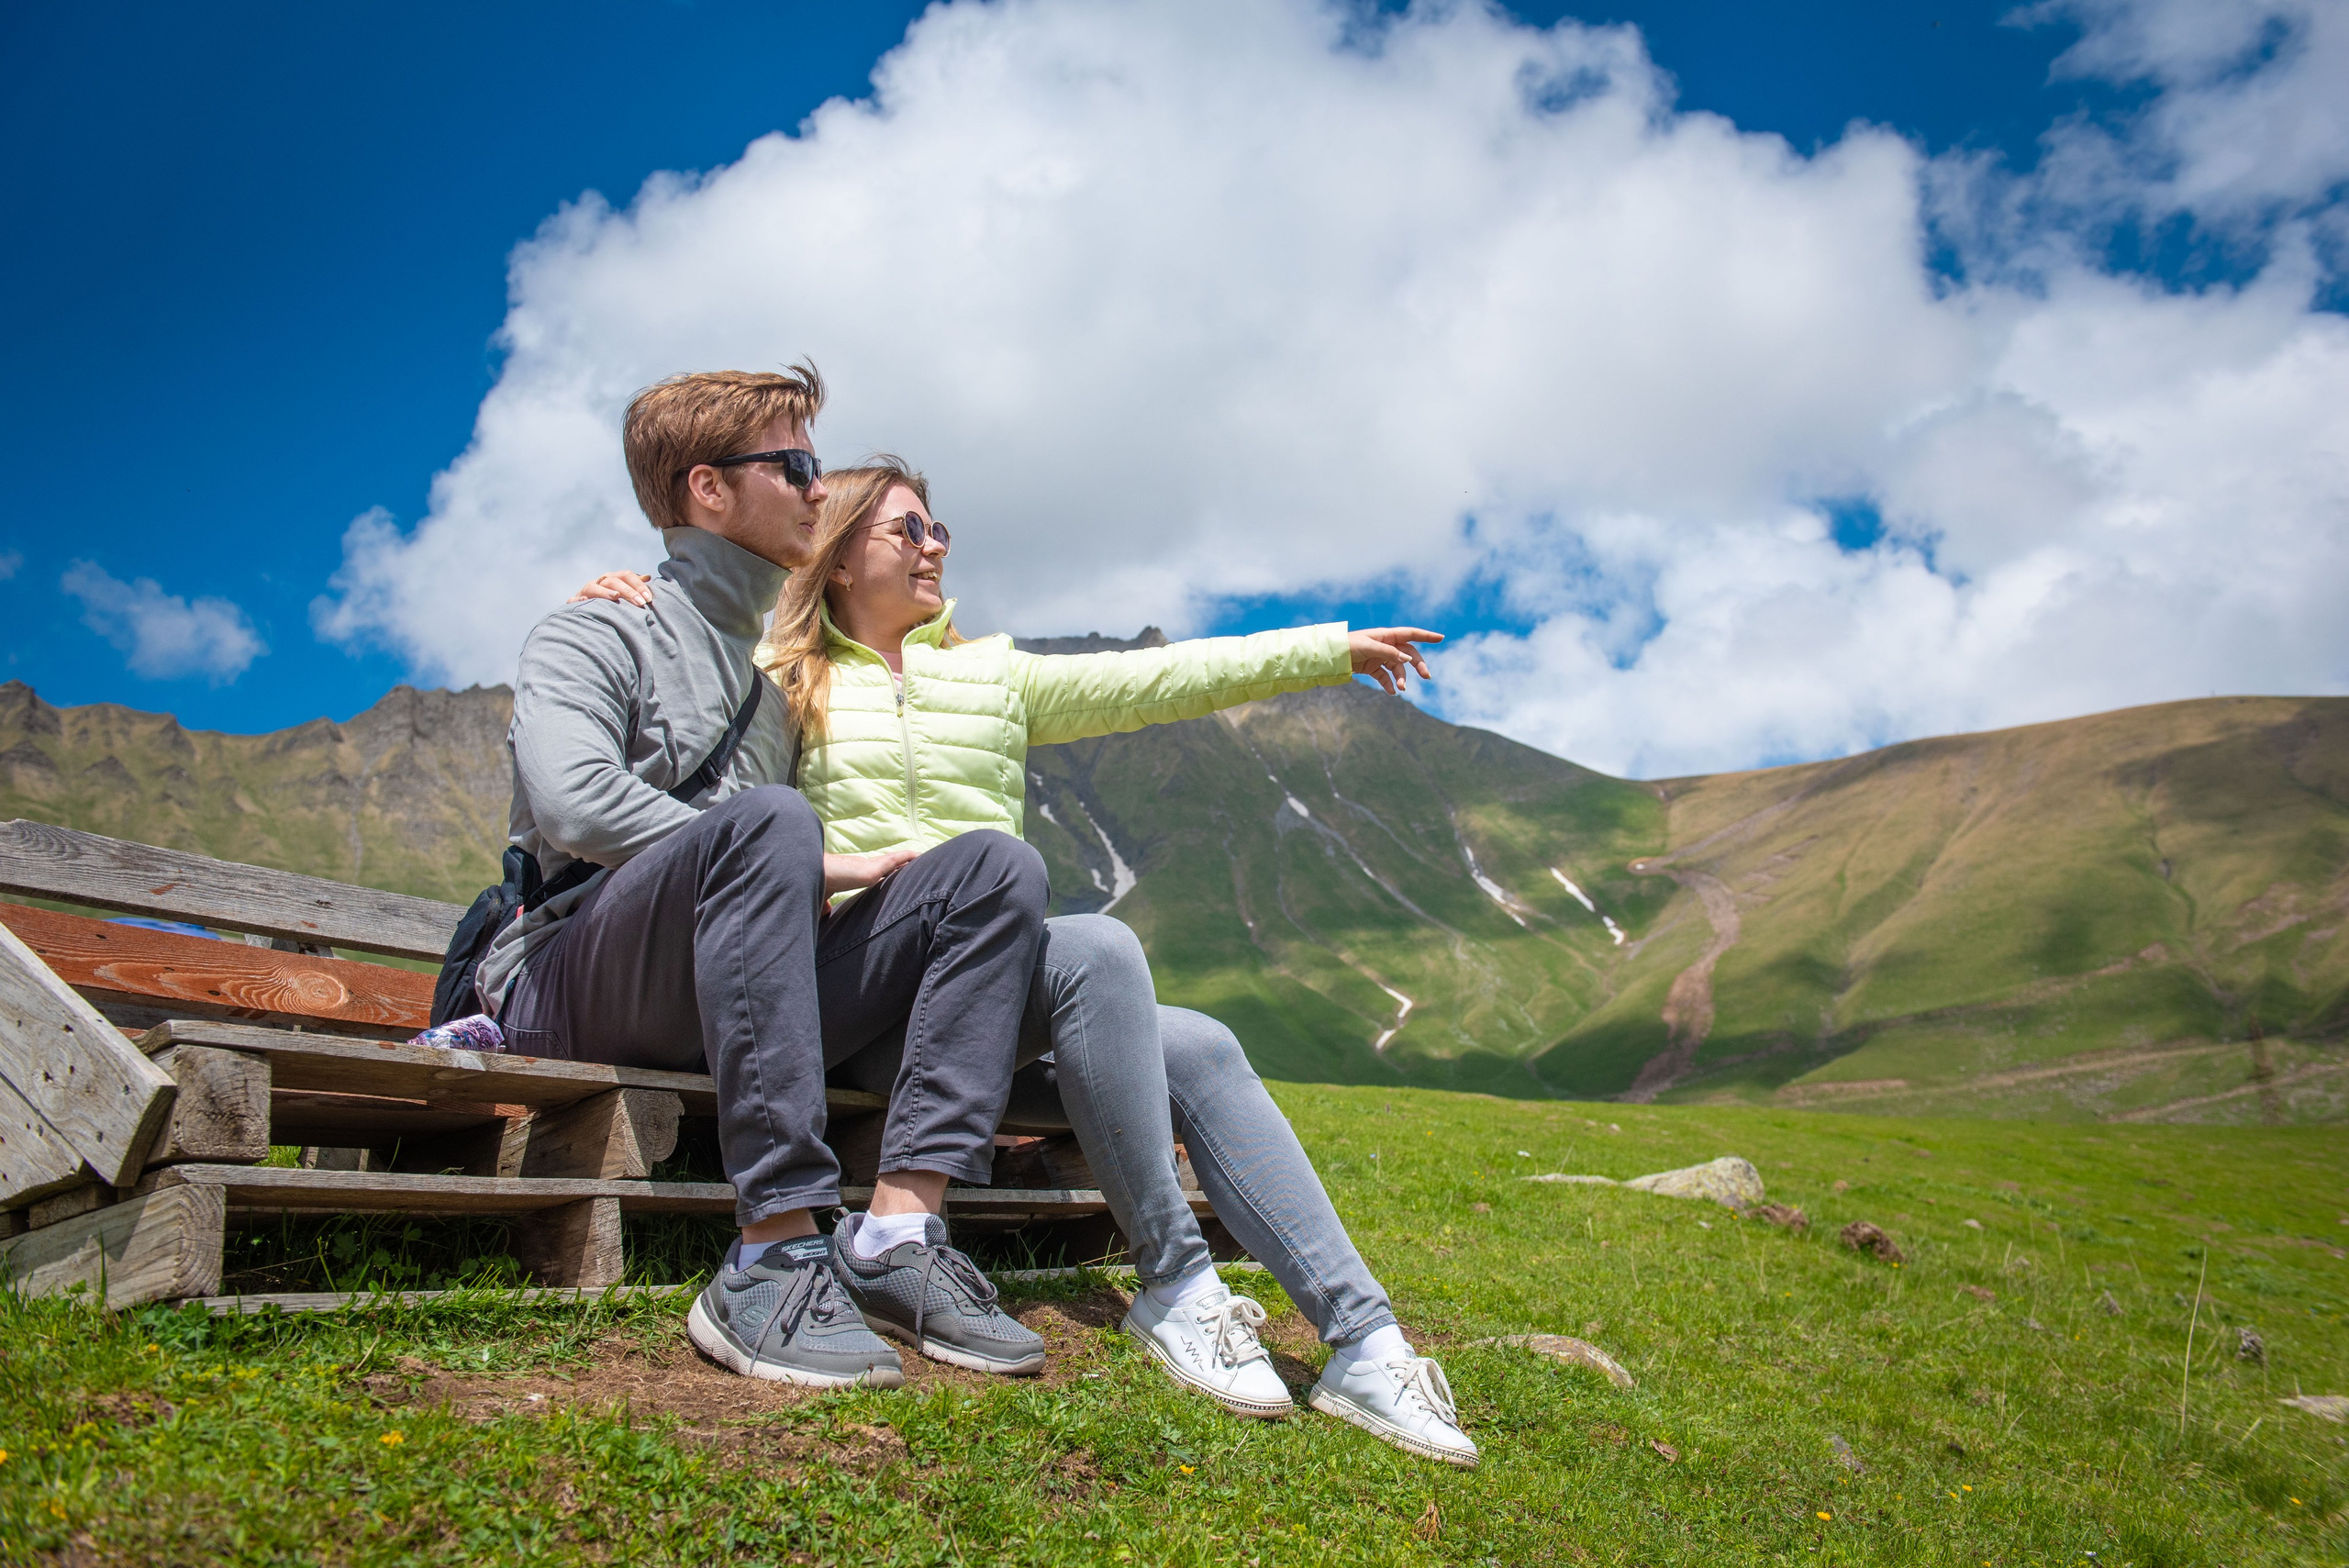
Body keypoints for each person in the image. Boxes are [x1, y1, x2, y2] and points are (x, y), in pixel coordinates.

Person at [572, 457, 1479, 1466]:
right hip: (857, 1004)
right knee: (1093, 940)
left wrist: (1324, 649)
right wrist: (635, 594)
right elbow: (682, 681)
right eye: (906, 530)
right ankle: (1174, 1278)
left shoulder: (996, 675)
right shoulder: (782, 679)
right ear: (834, 561)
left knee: (1201, 1041)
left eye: (938, 528)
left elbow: (1159, 679)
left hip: (984, 995)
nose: (935, 544)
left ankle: (1363, 1339)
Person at [495, 370, 1052, 1391]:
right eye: (793, 465)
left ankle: (898, 1234)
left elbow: (771, 862)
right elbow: (574, 805)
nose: (814, 486)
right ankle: (772, 1252)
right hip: (571, 981)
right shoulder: (592, 631)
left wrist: (823, 865)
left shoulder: (765, 696)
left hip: (715, 998)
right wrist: (811, 855)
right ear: (707, 491)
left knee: (991, 867)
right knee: (770, 821)